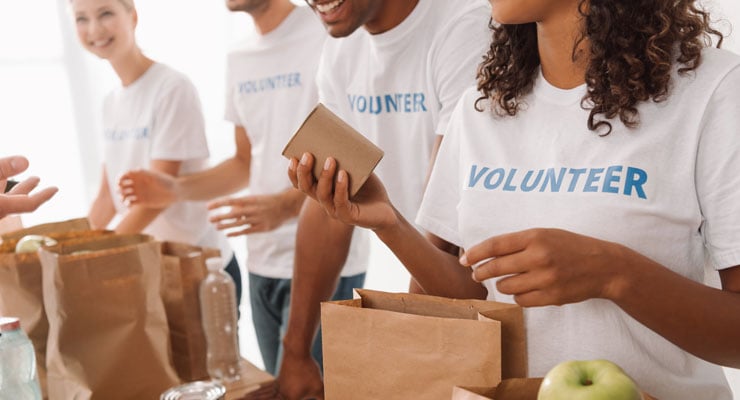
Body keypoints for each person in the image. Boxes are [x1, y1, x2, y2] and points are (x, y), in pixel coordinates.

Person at [288, 0, 740, 399]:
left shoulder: (715, 91)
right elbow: (472, 299)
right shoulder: (481, 108)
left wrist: (614, 274)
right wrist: (389, 223)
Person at [117, 0, 364, 375]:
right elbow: (244, 162)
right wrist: (175, 188)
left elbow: (354, 148)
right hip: (261, 261)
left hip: (327, 257)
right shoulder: (240, 56)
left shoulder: (329, 32)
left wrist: (284, 206)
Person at [263, 0, 492, 398]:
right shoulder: (340, 47)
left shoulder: (463, 24)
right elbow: (329, 205)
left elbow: (442, 225)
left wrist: (400, 359)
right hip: (429, 283)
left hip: (487, 296)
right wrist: (295, 350)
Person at [70, 0, 239, 301]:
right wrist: (73, 249)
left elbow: (155, 199)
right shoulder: (111, 102)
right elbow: (108, 197)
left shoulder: (171, 88)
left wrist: (98, 258)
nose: (93, 29)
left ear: (132, 16)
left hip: (200, 266)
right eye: (81, 18)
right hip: (154, 266)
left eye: (105, 13)